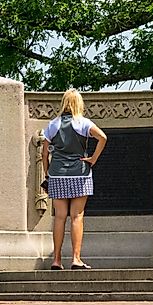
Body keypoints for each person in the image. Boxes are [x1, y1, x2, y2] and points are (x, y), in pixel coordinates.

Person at [42, 89, 107, 270]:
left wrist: (48, 173)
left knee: (59, 217)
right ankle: (76, 259)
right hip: (80, 173)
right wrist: (93, 159)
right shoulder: (83, 123)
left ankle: (56, 260)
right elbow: (103, 137)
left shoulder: (53, 125)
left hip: (58, 174)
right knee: (77, 216)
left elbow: (44, 153)